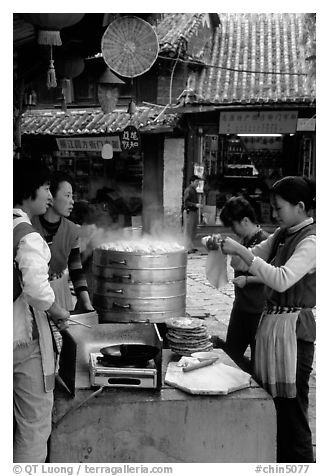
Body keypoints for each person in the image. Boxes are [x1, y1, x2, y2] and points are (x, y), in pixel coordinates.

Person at [220, 176, 316, 463]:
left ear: (300, 206)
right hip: (274, 327)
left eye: (279, 208)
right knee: (276, 403)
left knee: (292, 407)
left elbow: (282, 279)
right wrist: (225, 249)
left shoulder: (311, 241)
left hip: (295, 332)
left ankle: (300, 463)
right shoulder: (282, 235)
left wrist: (239, 252)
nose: (275, 215)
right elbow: (245, 261)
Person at [13, 159, 70, 462]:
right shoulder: (26, 234)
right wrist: (59, 310)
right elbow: (36, 290)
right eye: (46, 187)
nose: (49, 195)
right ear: (28, 191)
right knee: (34, 424)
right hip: (19, 341)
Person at [216, 196, 268, 373]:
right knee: (231, 356)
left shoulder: (265, 242)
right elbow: (235, 263)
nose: (233, 231)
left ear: (245, 220)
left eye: (233, 226)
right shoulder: (244, 241)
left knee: (259, 364)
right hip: (240, 308)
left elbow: (275, 275)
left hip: (258, 312)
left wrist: (248, 280)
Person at [32, 171, 93, 315]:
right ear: (51, 197)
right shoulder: (29, 225)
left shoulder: (72, 230)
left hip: (60, 292)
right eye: (67, 196)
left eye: (72, 196)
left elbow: (76, 270)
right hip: (34, 294)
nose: (72, 201)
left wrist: (86, 302)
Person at [183, 175, 202, 253]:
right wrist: (195, 205)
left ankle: (190, 246)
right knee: (189, 230)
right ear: (192, 182)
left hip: (193, 212)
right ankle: (187, 248)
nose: (198, 183)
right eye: (196, 182)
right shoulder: (189, 190)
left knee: (193, 230)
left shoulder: (194, 190)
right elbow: (186, 202)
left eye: (198, 182)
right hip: (189, 212)